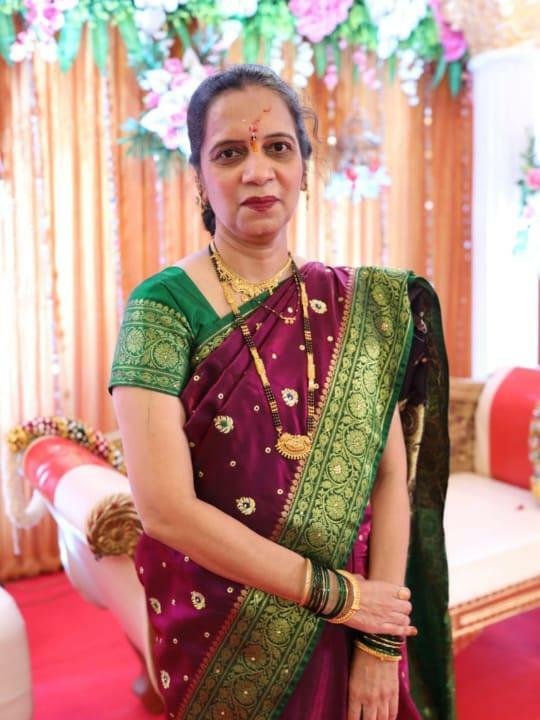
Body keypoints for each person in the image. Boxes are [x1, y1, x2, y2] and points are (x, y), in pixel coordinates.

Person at [109, 64, 455, 720]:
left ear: (304, 166)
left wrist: (380, 641)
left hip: (358, 625)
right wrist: (339, 597)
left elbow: (390, 477)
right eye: (229, 153)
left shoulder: (359, 306)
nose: (258, 171)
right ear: (199, 176)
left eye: (278, 148)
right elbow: (165, 511)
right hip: (228, 638)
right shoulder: (161, 310)